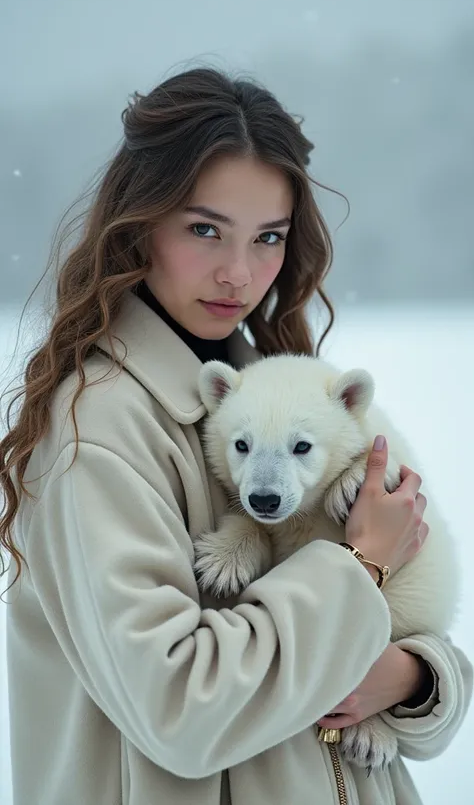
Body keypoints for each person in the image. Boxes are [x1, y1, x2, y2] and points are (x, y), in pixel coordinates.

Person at [0, 66, 471, 805]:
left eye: (269, 238)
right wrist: (361, 571)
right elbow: (181, 709)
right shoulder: (102, 432)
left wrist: (412, 676)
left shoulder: (272, 399)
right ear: (139, 222)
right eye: (205, 229)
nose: (239, 274)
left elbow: (408, 661)